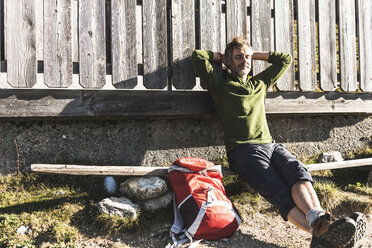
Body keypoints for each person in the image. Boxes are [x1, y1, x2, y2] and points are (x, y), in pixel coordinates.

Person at [191, 36, 366, 248]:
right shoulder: (220, 85)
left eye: (247, 57)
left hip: (270, 145)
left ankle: (320, 221)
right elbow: (198, 56)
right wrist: (222, 57)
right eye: (239, 57)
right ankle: (321, 233)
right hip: (243, 150)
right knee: (279, 190)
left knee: (297, 171)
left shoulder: (259, 83)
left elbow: (284, 59)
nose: (244, 61)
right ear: (228, 61)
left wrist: (252, 54)